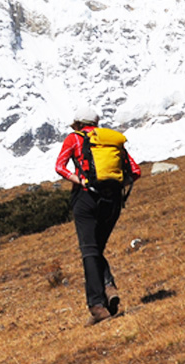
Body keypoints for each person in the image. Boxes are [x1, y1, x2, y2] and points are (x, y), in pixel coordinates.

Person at [54, 107, 131, 325]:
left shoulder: (75, 139)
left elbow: (60, 167)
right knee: (97, 249)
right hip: (113, 201)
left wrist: (79, 181)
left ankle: (98, 307)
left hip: (86, 199)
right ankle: (107, 287)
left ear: (77, 124)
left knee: (89, 250)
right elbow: (134, 171)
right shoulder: (110, 141)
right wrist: (113, 188)